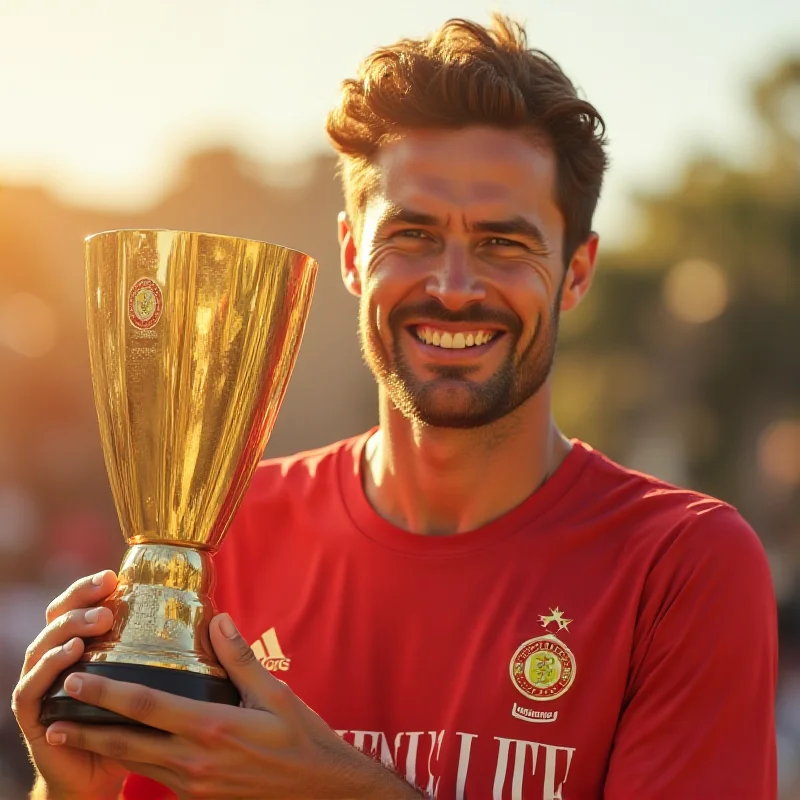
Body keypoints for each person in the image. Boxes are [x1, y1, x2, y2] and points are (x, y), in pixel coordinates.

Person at [13, 14, 777, 800]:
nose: (452, 285)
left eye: (502, 244)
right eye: (411, 235)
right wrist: (73, 787)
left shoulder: (682, 566)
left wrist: (335, 788)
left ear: (577, 271)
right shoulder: (224, 535)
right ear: (351, 253)